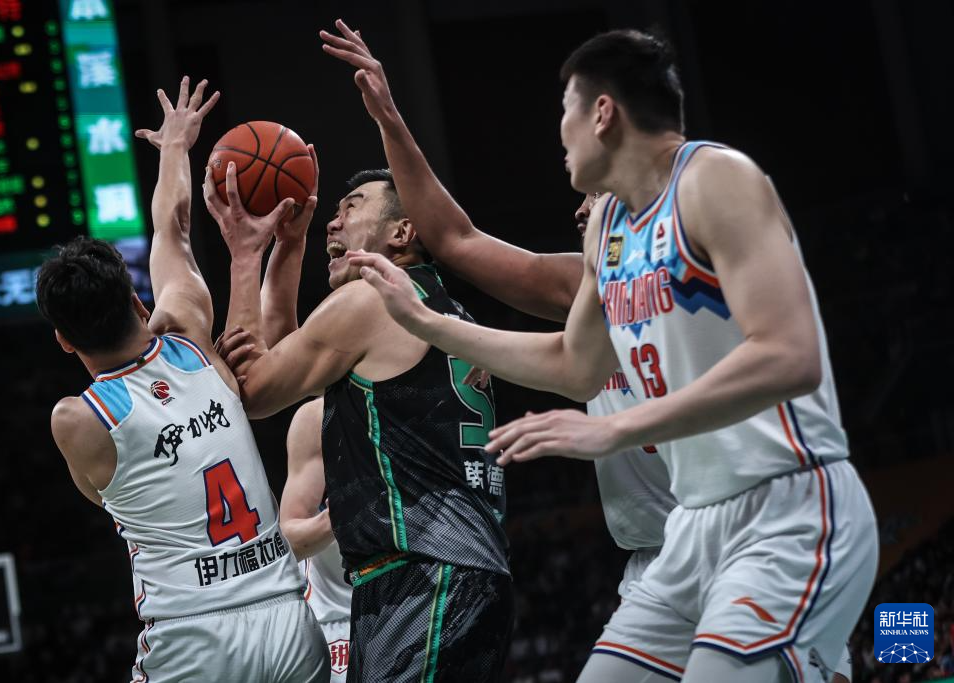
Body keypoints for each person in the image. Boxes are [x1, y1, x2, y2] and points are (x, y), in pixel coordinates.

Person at [347, 27, 877, 683]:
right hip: (688, 532)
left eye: (564, 111)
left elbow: (792, 356)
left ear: (603, 113)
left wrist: (614, 427)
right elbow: (576, 366)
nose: (558, 133)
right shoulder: (609, 233)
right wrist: (429, 323)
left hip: (786, 507)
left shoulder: (716, 179)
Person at [322, 17, 675, 618]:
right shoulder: (585, 283)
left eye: (592, 199)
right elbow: (456, 241)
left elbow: (784, 365)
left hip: (743, 518)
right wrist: (388, 117)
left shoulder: (695, 240)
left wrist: (613, 430)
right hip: (654, 559)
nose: (579, 212)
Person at [41, 77, 328, 683]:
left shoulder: (77, 420)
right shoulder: (191, 336)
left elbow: (101, 496)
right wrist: (175, 145)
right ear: (138, 302)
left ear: (65, 340)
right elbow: (170, 229)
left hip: (192, 635)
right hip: (288, 615)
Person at [205, 160, 513, 680]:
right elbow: (288, 357)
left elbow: (254, 389)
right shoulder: (440, 309)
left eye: (352, 207)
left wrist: (244, 254)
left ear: (402, 233)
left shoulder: (372, 299)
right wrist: (290, 245)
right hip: (452, 571)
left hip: (424, 574)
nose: (333, 220)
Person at [282, 399, 353, 683]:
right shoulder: (316, 418)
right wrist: (335, 517)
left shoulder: (433, 404)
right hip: (333, 622)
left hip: (419, 606)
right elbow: (290, 543)